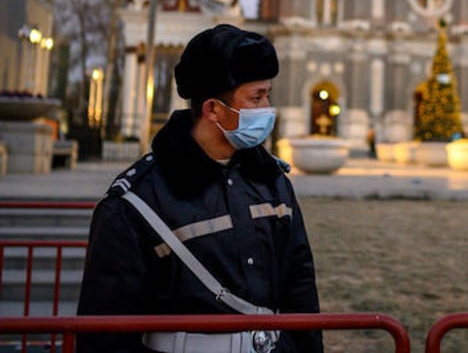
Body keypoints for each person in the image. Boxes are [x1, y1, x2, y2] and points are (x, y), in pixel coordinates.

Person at [77, 24, 323, 353]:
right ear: (213, 110)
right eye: (257, 97)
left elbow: (300, 290)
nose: (268, 109)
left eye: (268, 95)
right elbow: (105, 333)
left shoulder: (273, 183)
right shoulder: (135, 202)